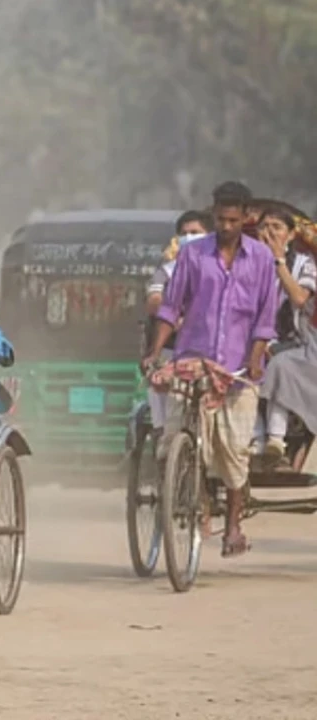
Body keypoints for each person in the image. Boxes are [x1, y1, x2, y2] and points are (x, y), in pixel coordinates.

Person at [144, 181, 279, 558]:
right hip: (192, 359)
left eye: (233, 220)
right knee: (179, 440)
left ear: (246, 218)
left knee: (235, 451)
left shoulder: (263, 260)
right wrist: (155, 351)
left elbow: (266, 319)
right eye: (220, 219)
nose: (226, 226)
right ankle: (190, 500)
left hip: (238, 368)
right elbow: (171, 309)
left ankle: (233, 526)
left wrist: (256, 356)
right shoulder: (193, 256)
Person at [144, 210, 213, 446]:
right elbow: (154, 302)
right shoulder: (168, 270)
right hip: (174, 348)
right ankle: (162, 434)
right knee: (158, 377)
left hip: (211, 349)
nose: (189, 237)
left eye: (195, 233)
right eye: (184, 234)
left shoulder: (220, 266)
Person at [256, 205, 317, 461]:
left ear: (291, 235)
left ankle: (274, 439)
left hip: (297, 341)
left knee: (281, 364)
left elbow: (301, 299)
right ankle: (253, 439)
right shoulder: (245, 261)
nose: (269, 233)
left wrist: (278, 260)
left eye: (277, 227)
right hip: (251, 339)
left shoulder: (305, 264)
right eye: (264, 227)